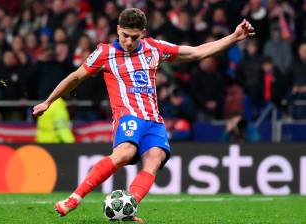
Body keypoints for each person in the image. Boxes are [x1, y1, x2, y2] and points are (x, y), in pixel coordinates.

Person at [32, 8, 254, 222]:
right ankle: (73, 199)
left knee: (154, 160)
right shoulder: (104, 53)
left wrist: (234, 37)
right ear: (118, 29)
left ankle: (127, 209)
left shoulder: (154, 49)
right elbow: (75, 77)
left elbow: (197, 51)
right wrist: (49, 101)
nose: (128, 42)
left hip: (154, 121)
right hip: (128, 116)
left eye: (134, 37)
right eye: (125, 36)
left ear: (143, 33)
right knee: (125, 152)